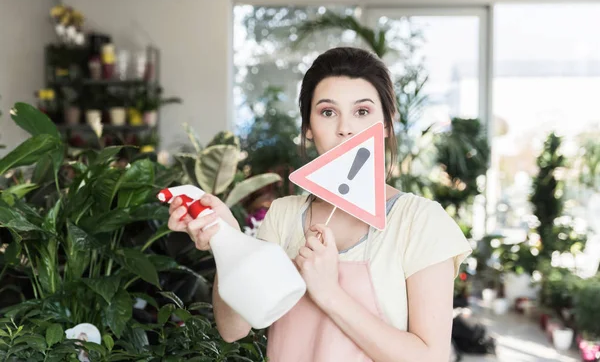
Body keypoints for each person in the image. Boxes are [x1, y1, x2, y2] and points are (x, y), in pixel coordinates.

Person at [167, 47, 472, 361]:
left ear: (386, 126)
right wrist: (225, 239)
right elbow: (234, 328)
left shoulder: (420, 221)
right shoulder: (283, 215)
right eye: (328, 112)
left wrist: (330, 294)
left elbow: (429, 357)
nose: (345, 128)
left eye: (362, 112)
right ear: (308, 129)